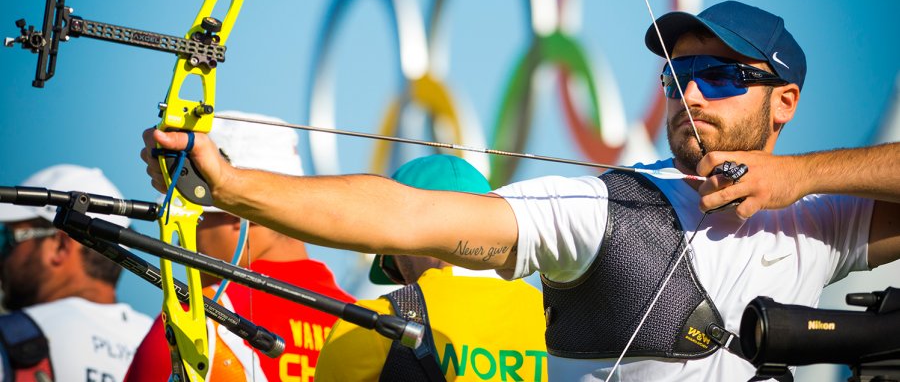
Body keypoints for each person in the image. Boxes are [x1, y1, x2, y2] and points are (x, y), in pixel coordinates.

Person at [141, 1, 900, 381]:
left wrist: (798, 177)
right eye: (677, 77)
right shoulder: (615, 210)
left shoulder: (820, 221)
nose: (691, 96)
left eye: (722, 76)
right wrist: (231, 186)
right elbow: (408, 216)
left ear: (785, 102)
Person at [126, 111, 354, 382]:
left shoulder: (192, 324)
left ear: (236, 212)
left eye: (191, 219)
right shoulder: (364, 325)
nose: (180, 238)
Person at [315, 154, 548, 381]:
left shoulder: (367, 327)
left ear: (399, 235)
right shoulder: (554, 318)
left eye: (391, 269)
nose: (401, 284)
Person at [0, 164, 153, 382]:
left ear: (60, 246)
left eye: (8, 240)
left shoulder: (10, 340)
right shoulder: (172, 345)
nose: (2, 258)